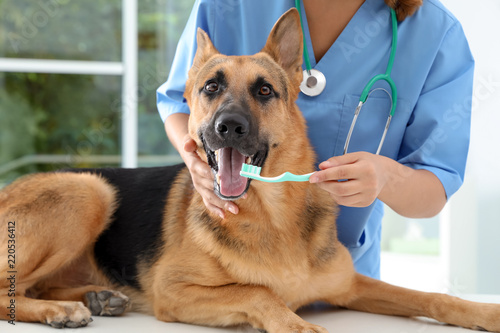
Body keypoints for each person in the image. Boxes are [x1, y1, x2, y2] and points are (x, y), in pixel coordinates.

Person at [156, 0, 474, 279]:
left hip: (339, 277)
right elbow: (179, 103)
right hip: (226, 273)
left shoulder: (435, 32)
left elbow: (435, 185)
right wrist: (196, 159)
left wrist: (386, 177)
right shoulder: (225, 5)